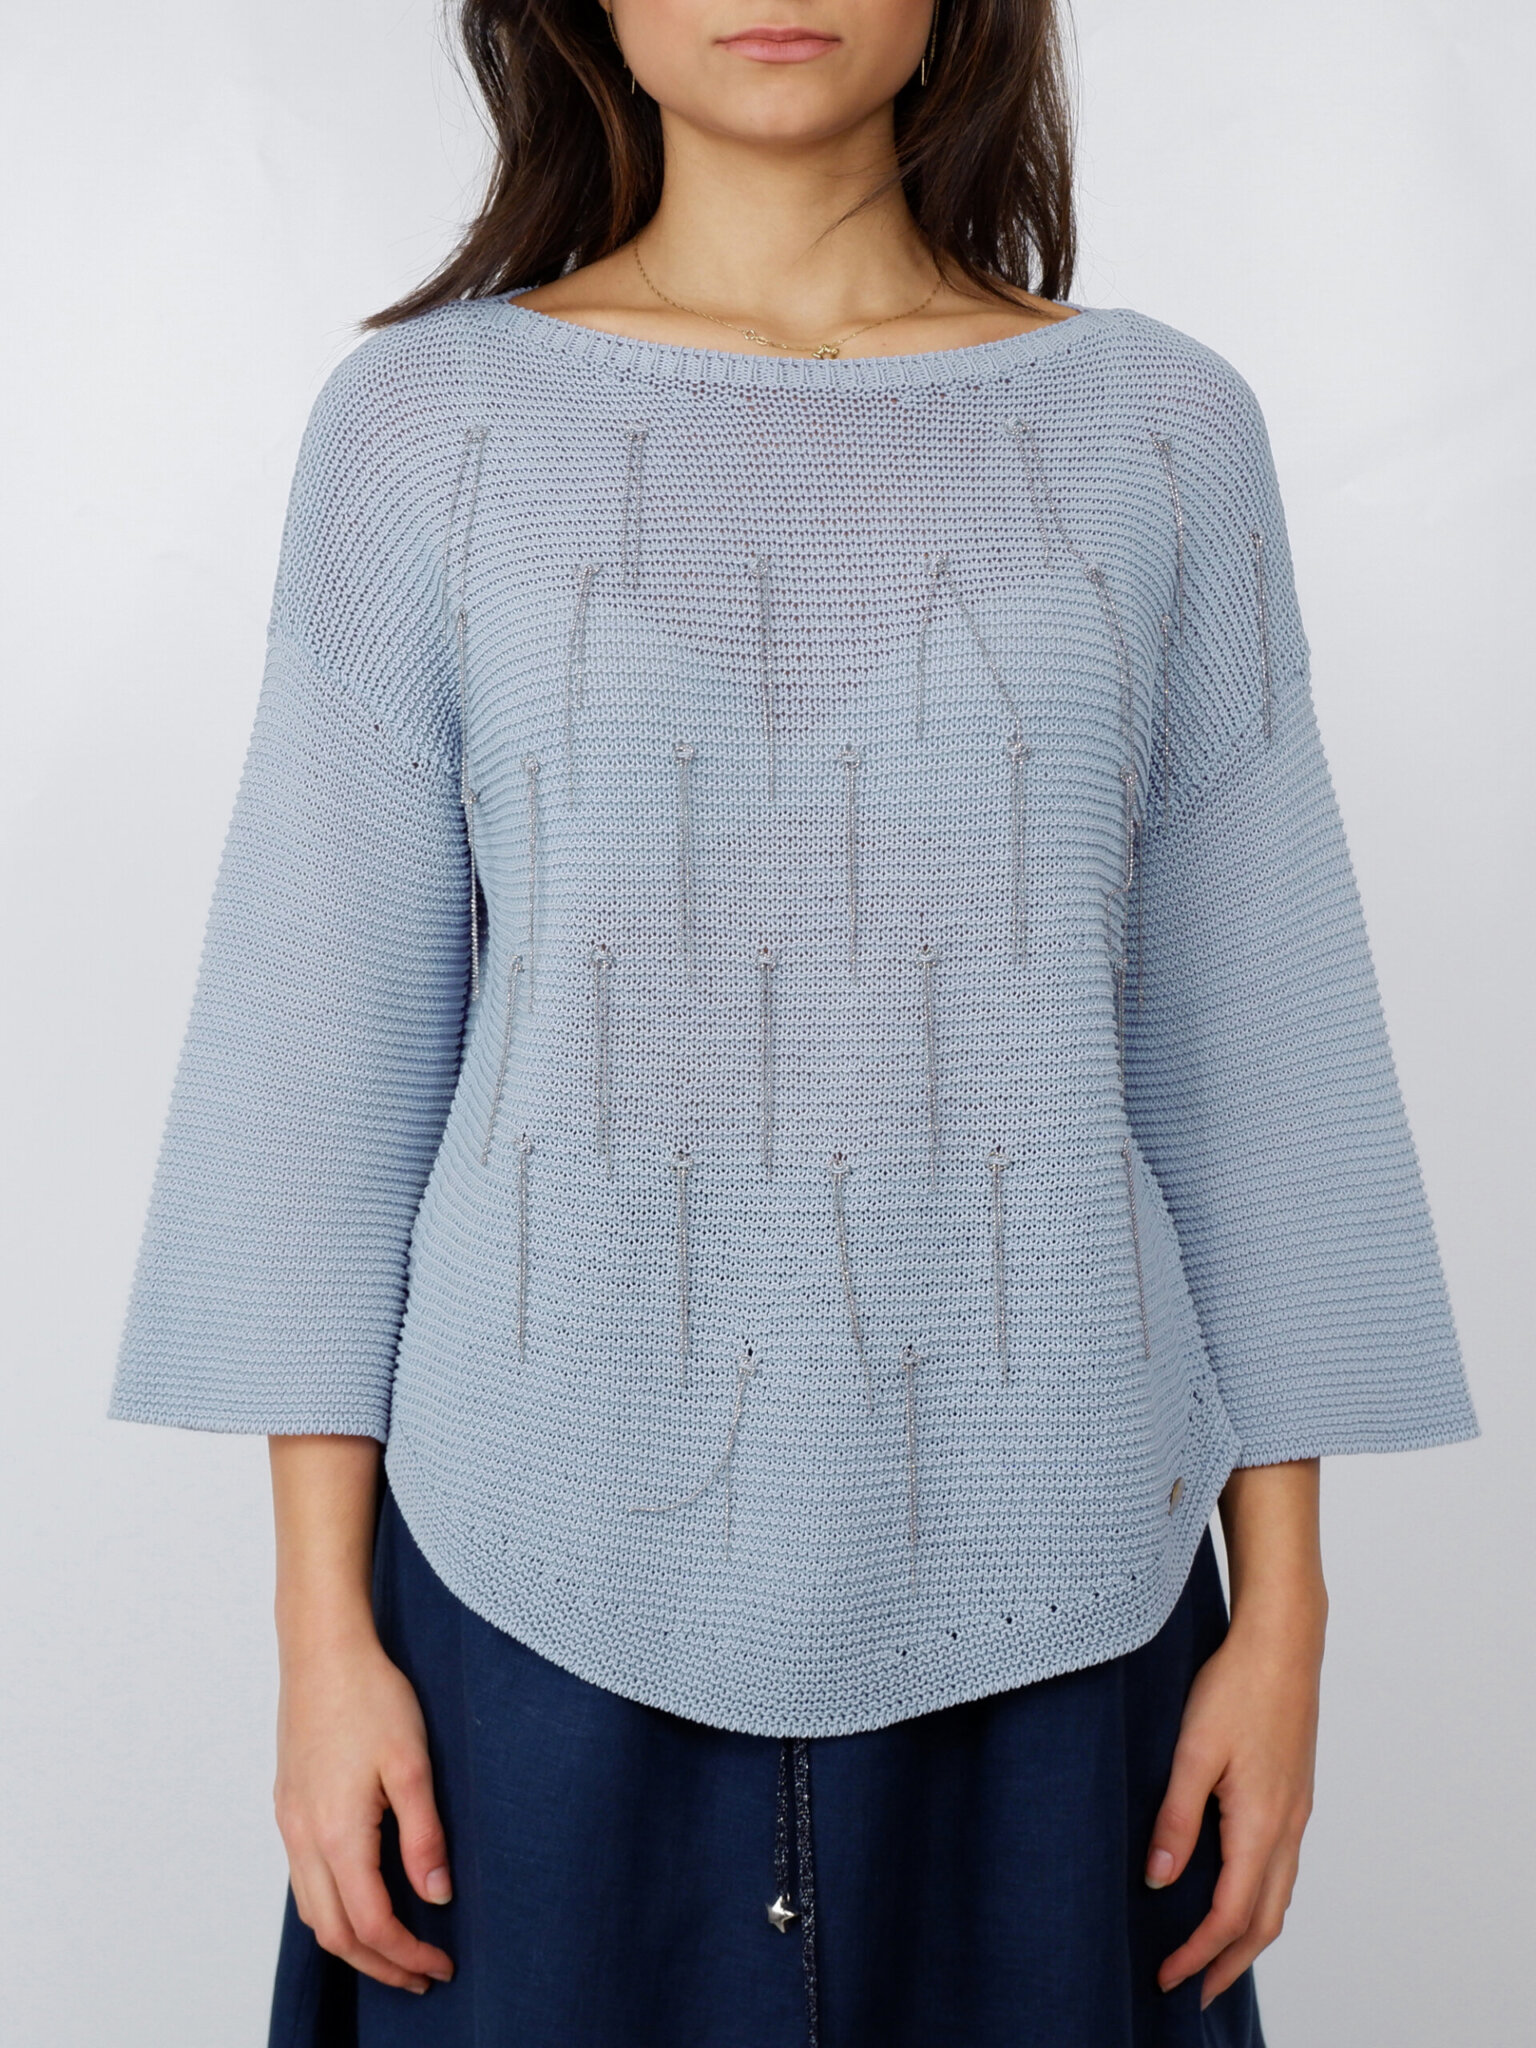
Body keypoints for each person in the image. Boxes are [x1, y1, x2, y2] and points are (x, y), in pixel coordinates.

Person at [109, 3, 1478, 2043]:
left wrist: (1285, 1622)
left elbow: (1260, 1058)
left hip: (1063, 1588)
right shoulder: (423, 431)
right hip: (523, 1584)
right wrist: (324, 1642)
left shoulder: (1162, 433)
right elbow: (320, 1069)